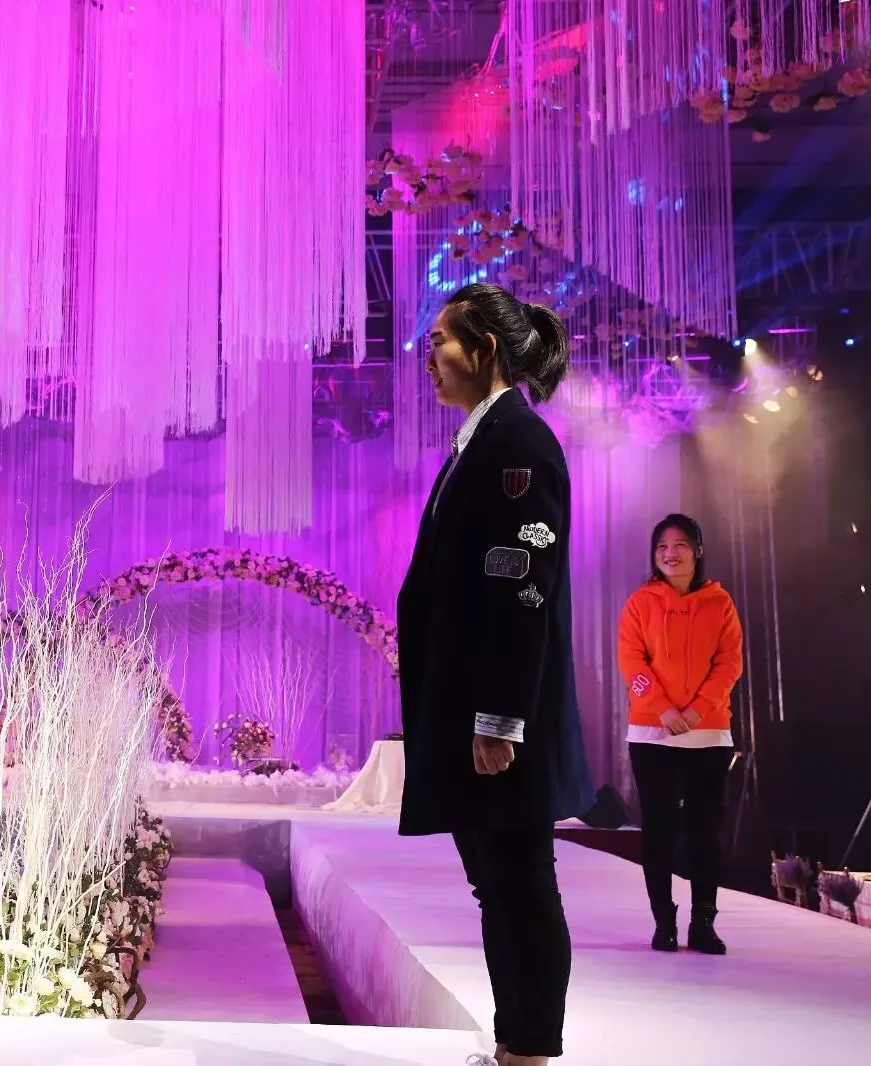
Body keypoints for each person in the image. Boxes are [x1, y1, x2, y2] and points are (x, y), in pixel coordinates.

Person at [396, 282, 593, 1066]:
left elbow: (521, 589)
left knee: (520, 881)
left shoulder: (516, 443)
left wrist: (500, 718)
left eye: (441, 341)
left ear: (483, 349)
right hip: (476, 709)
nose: (429, 359)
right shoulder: (480, 440)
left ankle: (532, 1049)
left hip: (503, 718)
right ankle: (516, 1043)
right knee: (498, 884)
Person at [617, 513, 742, 955]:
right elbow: (631, 661)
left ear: (698, 551)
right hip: (652, 735)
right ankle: (664, 922)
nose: (670, 554)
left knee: (706, 832)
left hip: (707, 735)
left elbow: (729, 663)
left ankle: (703, 922)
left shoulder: (720, 604)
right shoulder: (640, 603)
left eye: (680, 545)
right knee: (659, 830)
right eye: (662, 547)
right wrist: (663, 709)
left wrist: (697, 710)